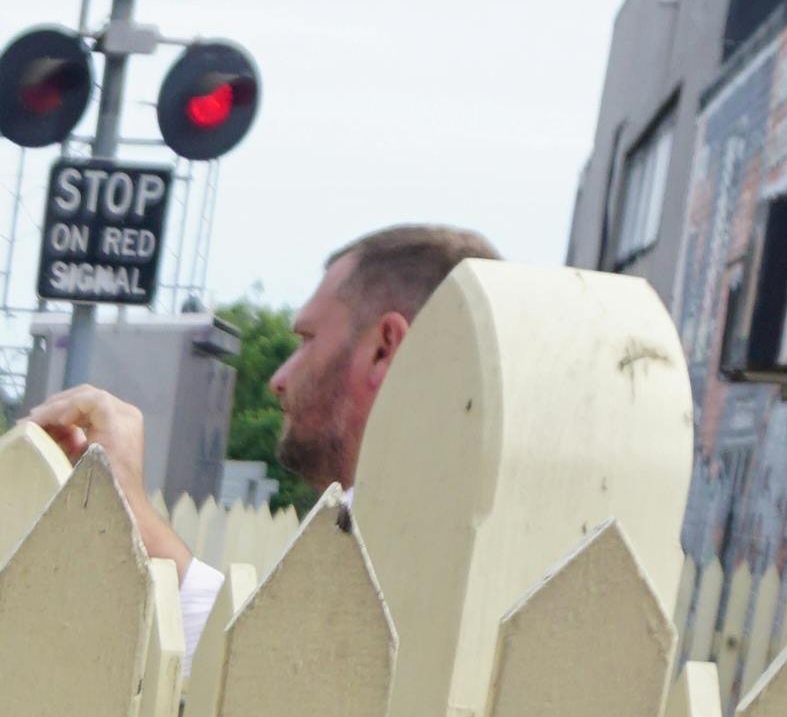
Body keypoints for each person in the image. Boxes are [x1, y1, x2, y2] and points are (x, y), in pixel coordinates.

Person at [34, 220, 498, 651]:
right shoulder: (477, 546)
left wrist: (126, 501)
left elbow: (255, 674)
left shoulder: (392, 539)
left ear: (384, 349)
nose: (279, 378)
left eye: (308, 339)